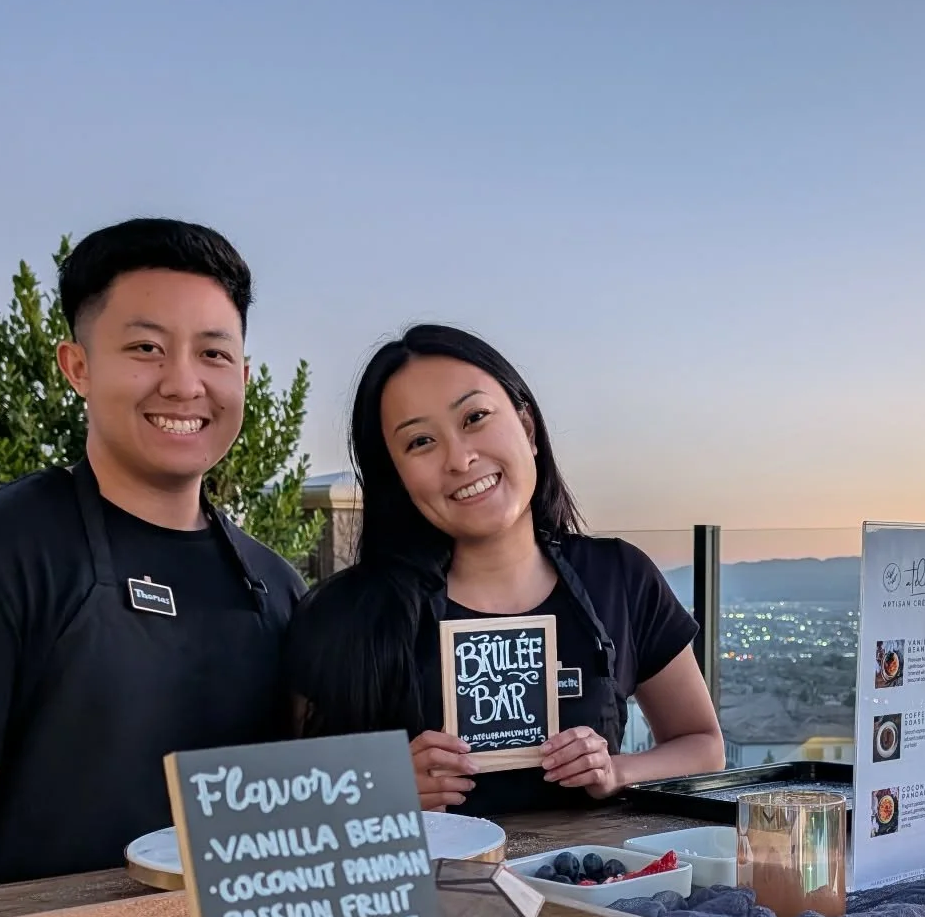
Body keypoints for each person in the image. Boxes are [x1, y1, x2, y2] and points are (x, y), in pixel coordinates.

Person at [0, 218, 306, 893]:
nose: (183, 383)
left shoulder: (276, 587)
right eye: (145, 348)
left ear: (245, 377)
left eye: (214, 355)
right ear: (77, 367)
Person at [283, 324, 724, 813]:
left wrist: (617, 771)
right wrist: (379, 788)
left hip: (588, 885)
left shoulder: (620, 578)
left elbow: (703, 745)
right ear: (396, 477)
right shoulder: (343, 613)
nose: (461, 458)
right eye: (421, 442)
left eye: (474, 417)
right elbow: (281, 802)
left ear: (528, 429)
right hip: (426, 889)